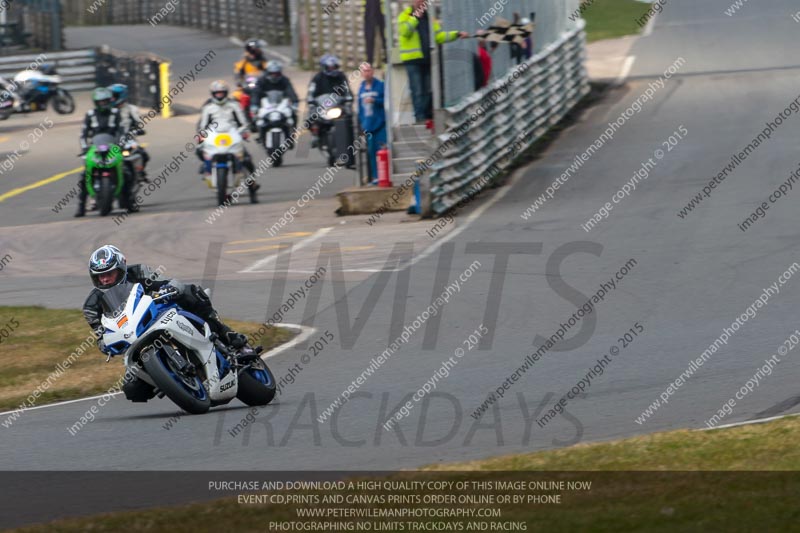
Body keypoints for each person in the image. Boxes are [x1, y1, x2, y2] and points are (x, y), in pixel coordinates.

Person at [82, 245, 259, 402]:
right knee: (132, 390)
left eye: (108, 274)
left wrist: (170, 288)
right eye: (100, 276)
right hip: (132, 338)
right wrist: (103, 343)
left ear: (121, 268)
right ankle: (169, 379)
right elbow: (99, 332)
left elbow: (170, 282)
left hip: (160, 313)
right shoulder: (91, 305)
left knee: (191, 292)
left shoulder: (139, 272)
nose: (104, 279)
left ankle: (229, 336)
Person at [397, 0, 468, 124]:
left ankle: (426, 116)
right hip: (412, 59)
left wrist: (456, 34)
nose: (421, 3)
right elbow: (405, 32)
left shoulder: (430, 18)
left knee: (429, 89)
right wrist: (415, 18)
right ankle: (420, 117)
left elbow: (439, 36)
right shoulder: (405, 16)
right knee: (418, 90)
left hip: (427, 59)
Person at [196, 80, 260, 197]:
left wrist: (245, 131)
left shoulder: (234, 105)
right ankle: (206, 168)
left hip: (232, 135)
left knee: (246, 159)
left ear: (226, 93)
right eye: (217, 93)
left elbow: (243, 121)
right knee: (199, 150)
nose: (219, 95)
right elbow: (202, 124)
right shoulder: (207, 107)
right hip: (214, 137)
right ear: (213, 94)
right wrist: (200, 135)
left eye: (221, 93)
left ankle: (252, 183)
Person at [75, 87, 123, 218]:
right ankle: (81, 206)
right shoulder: (90, 114)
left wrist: (121, 144)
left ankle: (128, 200)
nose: (103, 104)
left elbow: (121, 131)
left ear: (110, 101)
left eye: (105, 101)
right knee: (84, 174)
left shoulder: (116, 113)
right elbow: (83, 134)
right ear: (96, 102)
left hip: (113, 146)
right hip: (95, 147)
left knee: (125, 168)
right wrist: (84, 148)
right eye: (100, 102)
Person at [306, 55, 354, 151]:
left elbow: (347, 90)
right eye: (330, 67)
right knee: (311, 117)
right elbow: (311, 91)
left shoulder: (341, 76)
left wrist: (348, 98)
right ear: (324, 67)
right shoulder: (317, 77)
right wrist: (311, 100)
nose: (332, 69)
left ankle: (350, 139)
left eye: (334, 67)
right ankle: (315, 135)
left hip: (337, 105)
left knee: (350, 116)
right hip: (322, 106)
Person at [251, 60, 299, 144]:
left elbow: (290, 91)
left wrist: (295, 102)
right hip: (266, 105)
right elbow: (256, 93)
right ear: (268, 72)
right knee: (257, 118)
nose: (274, 75)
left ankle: (292, 134)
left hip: (281, 104)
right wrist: (254, 105)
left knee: (293, 115)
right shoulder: (261, 80)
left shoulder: (285, 80)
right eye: (272, 73)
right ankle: (260, 135)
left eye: (276, 73)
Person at [108, 83, 150, 179]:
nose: (111, 99)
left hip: (127, 139)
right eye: (110, 96)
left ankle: (140, 173)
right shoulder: (107, 109)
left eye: (114, 96)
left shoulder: (131, 109)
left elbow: (137, 123)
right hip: (110, 138)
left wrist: (137, 130)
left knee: (143, 154)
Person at [357, 63, 386, 185]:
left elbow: (387, 101)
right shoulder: (361, 87)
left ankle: (384, 176)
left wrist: (375, 100)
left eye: (369, 70)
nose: (367, 73)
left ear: (373, 72)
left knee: (383, 150)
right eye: (364, 71)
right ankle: (375, 177)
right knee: (372, 152)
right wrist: (361, 123)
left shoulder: (380, 85)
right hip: (368, 125)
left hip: (380, 124)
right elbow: (360, 108)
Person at [363, 0, 387, 65]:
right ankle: (369, 61)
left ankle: (387, 56)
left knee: (385, 35)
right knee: (370, 36)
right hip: (370, 8)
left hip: (380, 10)